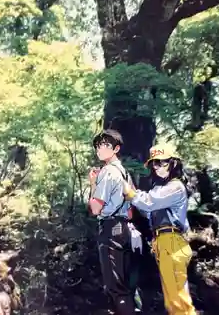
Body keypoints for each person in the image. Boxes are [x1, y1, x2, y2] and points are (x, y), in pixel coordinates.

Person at [121, 143, 197, 315]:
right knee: (172, 299)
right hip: (163, 243)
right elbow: (149, 211)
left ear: (174, 163)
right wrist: (133, 193)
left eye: (162, 162)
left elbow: (150, 202)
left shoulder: (175, 186)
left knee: (179, 299)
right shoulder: (160, 189)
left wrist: (131, 193)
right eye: (154, 163)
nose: (157, 167)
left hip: (172, 242)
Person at [88, 129, 137, 315]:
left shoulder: (107, 172)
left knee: (114, 288)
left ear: (116, 148)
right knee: (123, 285)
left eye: (105, 145)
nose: (100, 149)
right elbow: (131, 212)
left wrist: (93, 184)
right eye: (98, 146)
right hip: (124, 229)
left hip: (110, 229)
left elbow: (95, 208)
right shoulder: (125, 173)